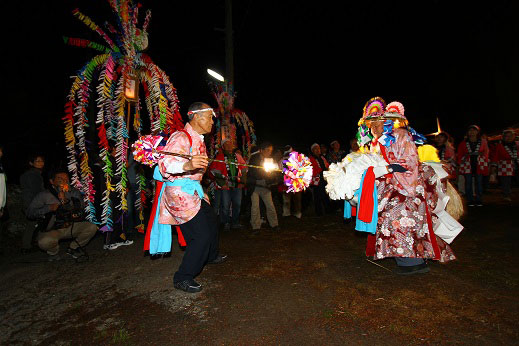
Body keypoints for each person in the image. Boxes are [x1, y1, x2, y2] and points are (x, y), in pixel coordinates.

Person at [352, 97, 456, 274]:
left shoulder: (401, 135)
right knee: (388, 218)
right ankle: (408, 260)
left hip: (408, 187)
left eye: (377, 124)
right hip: (390, 187)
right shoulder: (376, 143)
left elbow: (409, 161)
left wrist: (388, 169)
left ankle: (412, 263)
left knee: (400, 219)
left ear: (386, 123)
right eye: (371, 126)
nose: (374, 129)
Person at [156, 102, 226, 293]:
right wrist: (186, 166)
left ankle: (210, 256)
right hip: (179, 194)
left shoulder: (198, 139)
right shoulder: (181, 137)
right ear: (195, 116)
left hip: (191, 190)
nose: (213, 121)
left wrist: (201, 190)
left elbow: (195, 173)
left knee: (212, 220)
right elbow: (164, 164)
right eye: (209, 116)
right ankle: (183, 277)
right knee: (201, 236)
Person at [26, 170, 97, 261]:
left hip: (71, 225)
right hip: (53, 228)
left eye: (66, 179)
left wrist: (66, 201)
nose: (64, 181)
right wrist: (48, 208)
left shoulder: (74, 192)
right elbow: (30, 213)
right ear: (52, 181)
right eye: (60, 179)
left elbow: (81, 208)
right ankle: (53, 252)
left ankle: (73, 247)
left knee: (92, 227)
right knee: (44, 242)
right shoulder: (44, 195)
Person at [207, 138, 247, 230]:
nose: (229, 146)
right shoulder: (220, 157)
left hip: (237, 184)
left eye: (230, 144)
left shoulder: (238, 156)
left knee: (237, 204)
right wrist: (222, 183)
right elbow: (215, 171)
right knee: (225, 205)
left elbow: (244, 169)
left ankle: (235, 223)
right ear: (223, 147)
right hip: (225, 185)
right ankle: (226, 223)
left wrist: (243, 182)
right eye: (226, 144)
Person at [247, 142, 280, 231]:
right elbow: (253, 172)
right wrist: (264, 173)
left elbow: (273, 174)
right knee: (255, 206)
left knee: (270, 205)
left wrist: (272, 175)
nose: (269, 152)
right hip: (254, 186)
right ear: (261, 150)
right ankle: (256, 226)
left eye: (271, 151)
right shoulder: (254, 159)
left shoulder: (270, 160)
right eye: (267, 150)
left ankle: (274, 224)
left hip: (265, 186)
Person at [457, 125, 489, 206]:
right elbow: (460, 153)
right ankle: (470, 199)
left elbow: (486, 152)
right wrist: (461, 162)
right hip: (467, 164)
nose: (472, 132)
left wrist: (484, 160)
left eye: (474, 130)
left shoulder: (483, 142)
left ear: (478, 132)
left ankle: (479, 199)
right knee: (468, 182)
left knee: (479, 182)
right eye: (470, 130)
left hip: (479, 163)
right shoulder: (463, 143)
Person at [20, 154, 46, 253]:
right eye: (37, 161)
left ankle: (32, 244)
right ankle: (26, 246)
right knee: (32, 224)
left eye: (42, 161)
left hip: (30, 202)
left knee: (35, 223)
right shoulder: (32, 174)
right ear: (31, 163)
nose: (41, 163)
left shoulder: (34, 173)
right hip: (32, 202)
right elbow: (36, 190)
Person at [490, 129, 518, 202]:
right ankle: (506, 195)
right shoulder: (500, 145)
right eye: (506, 136)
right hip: (504, 165)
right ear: (503, 137)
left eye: (510, 136)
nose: (508, 138)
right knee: (505, 181)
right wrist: (494, 168)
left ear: (514, 136)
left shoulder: (517, 144)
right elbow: (496, 156)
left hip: (517, 164)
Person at [280, 145, 302, 219]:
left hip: (295, 181)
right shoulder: (282, 160)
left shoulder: (296, 160)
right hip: (286, 181)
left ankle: (297, 212)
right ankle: (287, 212)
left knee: (296, 198)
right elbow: (280, 169)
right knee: (288, 199)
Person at [309, 143, 330, 216]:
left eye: (318, 148)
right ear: (312, 150)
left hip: (324, 178)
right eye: (315, 149)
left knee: (325, 195)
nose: (317, 150)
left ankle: (328, 210)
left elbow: (327, 165)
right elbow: (311, 169)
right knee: (317, 196)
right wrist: (320, 170)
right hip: (316, 180)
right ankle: (319, 212)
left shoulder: (322, 158)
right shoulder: (310, 159)